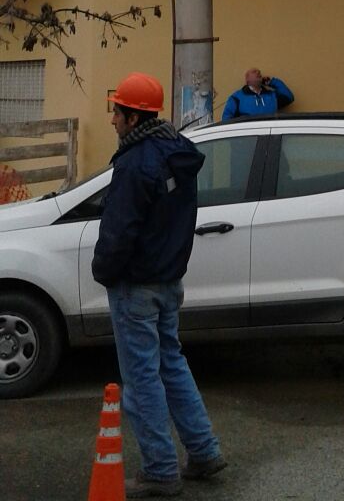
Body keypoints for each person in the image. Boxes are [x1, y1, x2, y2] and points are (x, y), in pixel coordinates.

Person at [92, 72, 226, 499]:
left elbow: (119, 231)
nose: (112, 119)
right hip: (169, 280)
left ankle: (160, 470)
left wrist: (103, 271)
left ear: (132, 118)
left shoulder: (135, 163)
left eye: (116, 111)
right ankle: (203, 452)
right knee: (172, 365)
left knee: (143, 380)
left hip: (137, 286)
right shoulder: (176, 152)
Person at [221, 67, 294, 121]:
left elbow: (289, 97)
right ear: (247, 80)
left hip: (270, 137)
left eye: (259, 72)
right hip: (248, 138)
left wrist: (272, 82)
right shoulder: (237, 98)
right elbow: (226, 119)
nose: (258, 72)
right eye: (254, 71)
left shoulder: (271, 95)